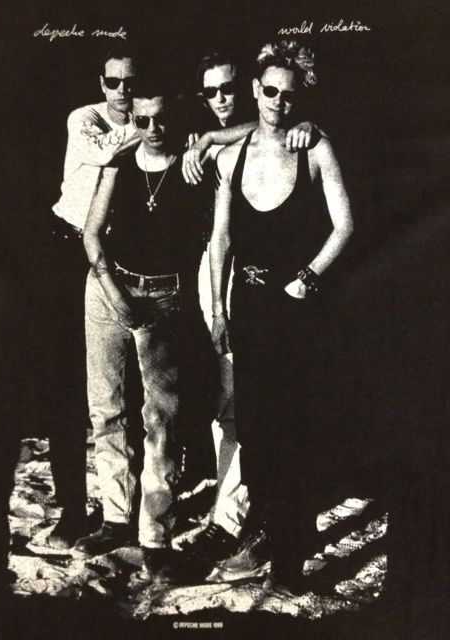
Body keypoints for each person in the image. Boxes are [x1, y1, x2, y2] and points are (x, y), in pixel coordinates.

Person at [209, 40, 353, 589]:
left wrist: (308, 277)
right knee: (256, 429)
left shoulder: (314, 147)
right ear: (254, 90)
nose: (278, 102)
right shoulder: (232, 156)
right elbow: (222, 239)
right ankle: (268, 533)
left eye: (288, 95)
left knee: (292, 430)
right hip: (247, 307)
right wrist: (219, 309)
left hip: (294, 312)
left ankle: (290, 560)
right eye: (269, 91)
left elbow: (346, 225)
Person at [183, 51, 323, 566]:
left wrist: (308, 124)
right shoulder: (196, 136)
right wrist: (203, 139)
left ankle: (239, 520)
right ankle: (234, 515)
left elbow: (274, 127)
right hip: (214, 273)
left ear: (245, 88)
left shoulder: (266, 129)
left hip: (259, 277)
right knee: (227, 403)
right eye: (210, 92)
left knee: (255, 409)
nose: (220, 98)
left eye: (227, 87)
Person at [76, 75, 210, 583]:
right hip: (108, 289)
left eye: (162, 119)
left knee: (162, 418)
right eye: (143, 119)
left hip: (164, 298)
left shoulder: (194, 165)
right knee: (107, 407)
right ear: (132, 118)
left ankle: (155, 536)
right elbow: (91, 234)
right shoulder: (121, 162)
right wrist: (115, 295)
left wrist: (206, 140)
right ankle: (115, 518)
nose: (153, 128)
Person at [45, 44, 140, 550]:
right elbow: (106, 152)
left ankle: (124, 507)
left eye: (131, 81)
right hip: (67, 248)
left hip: (114, 250)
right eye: (113, 81)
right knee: (67, 382)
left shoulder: (146, 120)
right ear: (100, 84)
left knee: (123, 385)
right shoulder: (83, 117)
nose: (122, 90)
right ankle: (71, 510)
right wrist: (155, 126)